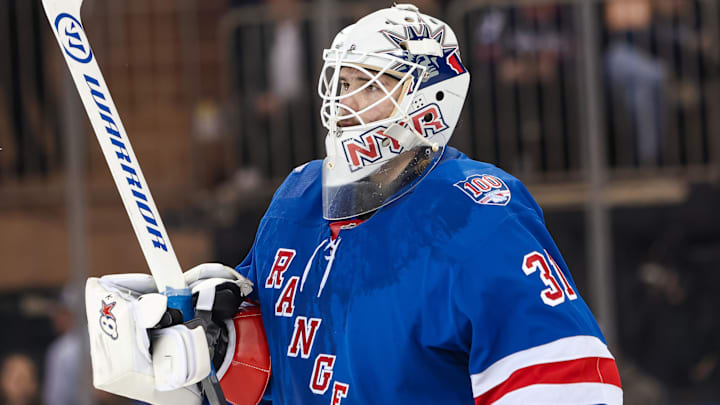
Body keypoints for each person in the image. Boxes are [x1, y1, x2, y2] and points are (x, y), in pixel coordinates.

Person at [84, 4, 622, 404]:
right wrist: (212, 334)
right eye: (340, 81)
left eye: (370, 85)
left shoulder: (473, 214)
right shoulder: (297, 198)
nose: (344, 103)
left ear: (430, 101)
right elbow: (266, 359)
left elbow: (565, 382)